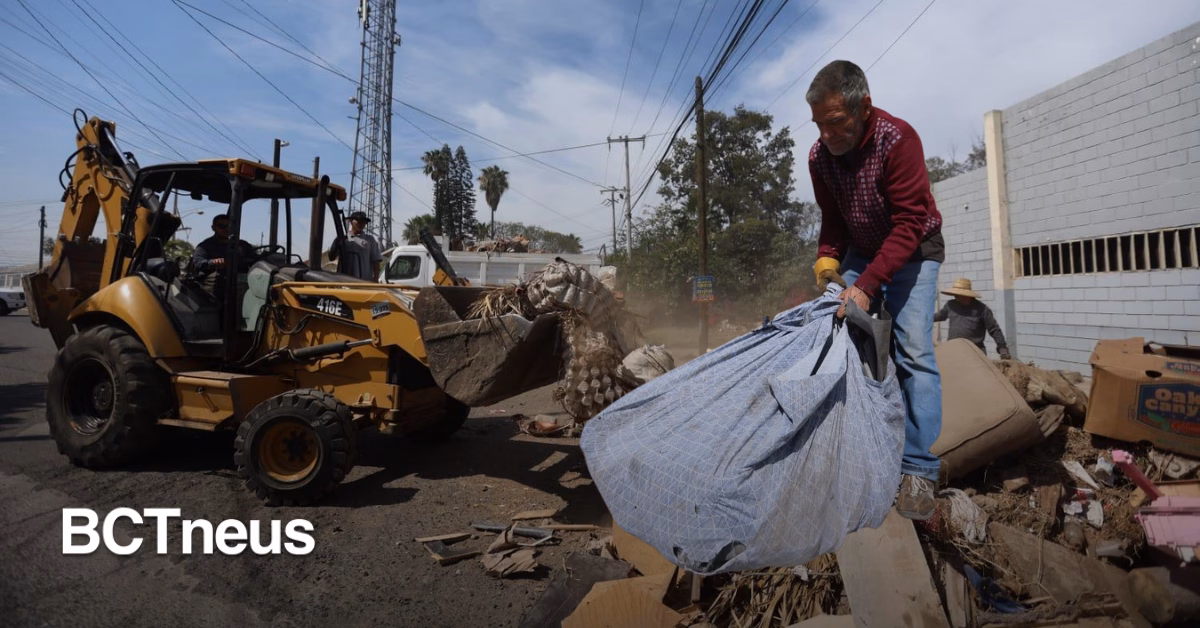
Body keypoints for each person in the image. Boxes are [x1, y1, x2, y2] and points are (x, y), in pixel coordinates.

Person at [807, 60, 945, 520]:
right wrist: (829, 255)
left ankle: (920, 469)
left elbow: (909, 223)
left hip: (913, 251)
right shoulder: (819, 157)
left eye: (837, 122)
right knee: (843, 341)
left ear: (863, 106)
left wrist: (866, 285)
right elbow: (832, 218)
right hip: (864, 250)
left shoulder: (898, 140)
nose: (827, 134)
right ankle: (865, 448)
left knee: (913, 352)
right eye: (819, 125)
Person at [934, 278, 1011, 359]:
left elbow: (994, 329)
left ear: (967, 294)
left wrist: (1003, 349)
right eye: (955, 293)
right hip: (953, 349)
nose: (955, 295)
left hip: (975, 352)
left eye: (958, 293)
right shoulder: (950, 305)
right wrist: (925, 319)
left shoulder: (982, 309)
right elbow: (940, 316)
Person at [329, 211, 382, 280]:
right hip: (343, 282)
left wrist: (376, 278)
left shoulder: (370, 240)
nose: (361, 223)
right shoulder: (343, 238)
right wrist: (336, 245)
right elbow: (331, 257)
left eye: (363, 221)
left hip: (364, 282)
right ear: (351, 221)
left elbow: (375, 262)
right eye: (358, 220)